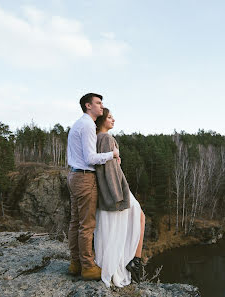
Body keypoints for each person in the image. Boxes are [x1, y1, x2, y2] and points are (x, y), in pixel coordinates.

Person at [66, 93, 119, 280]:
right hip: (84, 177)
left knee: (75, 223)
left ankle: (75, 263)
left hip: (74, 175)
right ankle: (88, 267)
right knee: (87, 226)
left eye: (102, 103)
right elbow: (90, 158)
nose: (102, 106)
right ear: (88, 106)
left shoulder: (79, 123)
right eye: (98, 103)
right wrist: (111, 154)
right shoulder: (88, 125)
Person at [94, 108, 146, 287]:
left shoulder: (99, 138)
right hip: (117, 189)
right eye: (109, 117)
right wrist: (117, 195)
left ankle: (134, 260)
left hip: (115, 188)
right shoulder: (106, 138)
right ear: (101, 120)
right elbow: (108, 170)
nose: (113, 119)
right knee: (138, 217)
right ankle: (135, 261)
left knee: (126, 223)